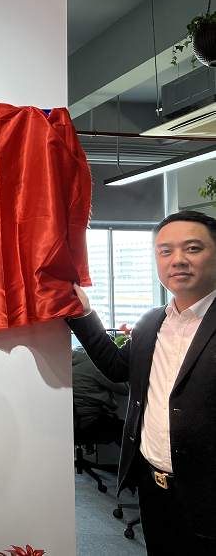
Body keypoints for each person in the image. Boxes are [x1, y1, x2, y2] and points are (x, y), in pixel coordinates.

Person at [68, 210, 216, 554]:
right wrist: (83, 314)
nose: (177, 260)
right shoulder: (151, 322)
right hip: (155, 490)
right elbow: (117, 367)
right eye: (165, 251)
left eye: (193, 248)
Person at [72, 344, 128, 446]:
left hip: (73, 423)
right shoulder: (95, 363)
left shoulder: (75, 354)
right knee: (127, 432)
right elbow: (126, 389)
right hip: (88, 422)